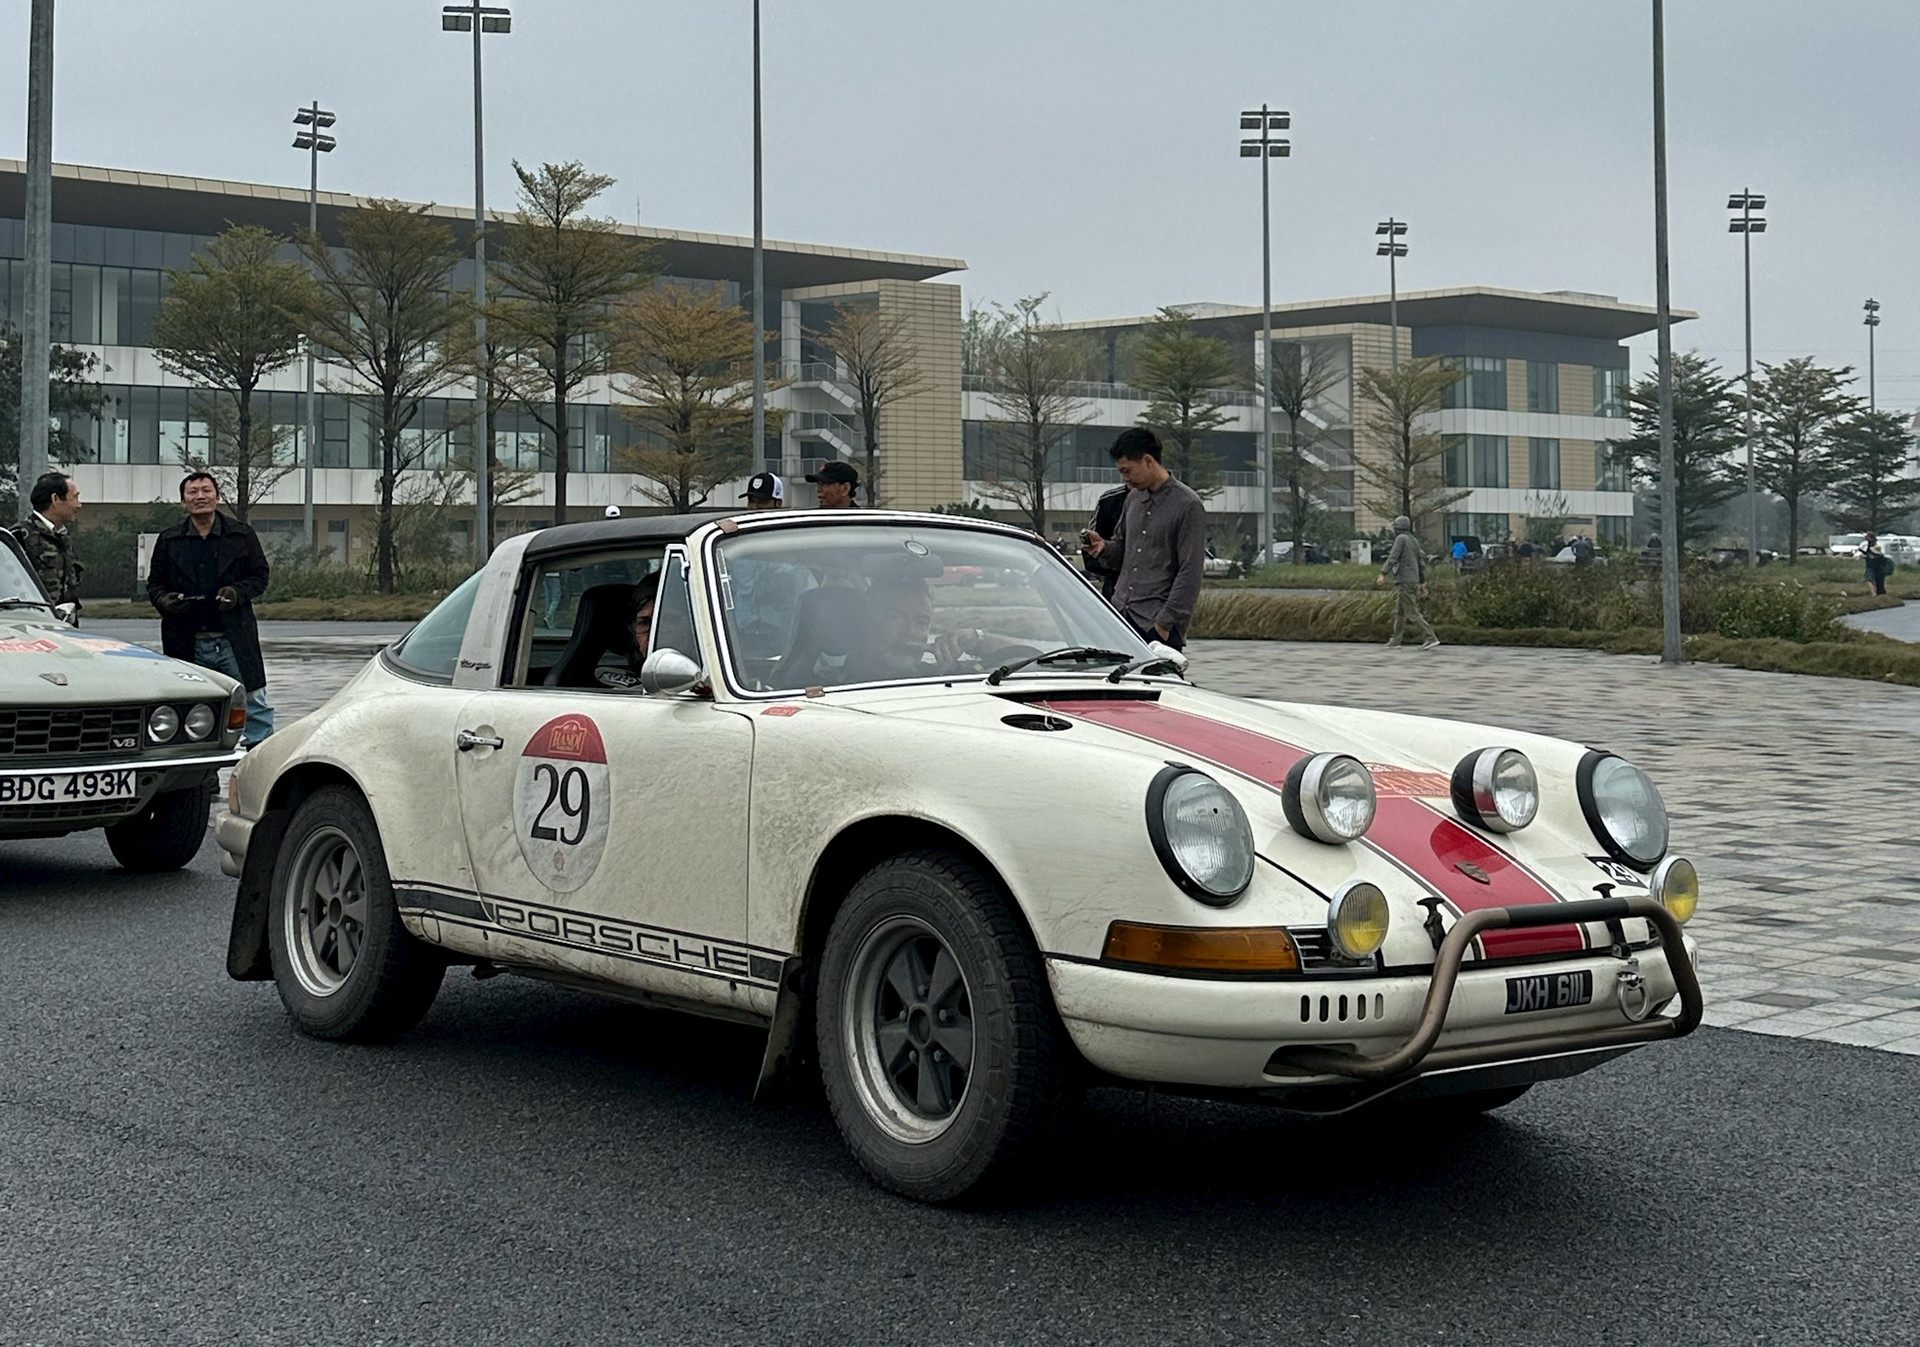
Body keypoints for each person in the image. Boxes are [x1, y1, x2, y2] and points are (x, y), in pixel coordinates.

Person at [147, 471, 275, 745]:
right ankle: (200, 778)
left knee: (254, 704)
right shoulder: (170, 540)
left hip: (233, 637)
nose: (200, 497)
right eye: (193, 492)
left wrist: (237, 593)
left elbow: (260, 576)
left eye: (206, 490)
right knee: (191, 710)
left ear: (217, 496)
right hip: (186, 640)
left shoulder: (241, 535)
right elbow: (154, 584)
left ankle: (261, 766)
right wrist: (165, 601)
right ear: (183, 501)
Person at [1081, 427, 1206, 650]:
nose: (1125, 478)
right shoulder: (1133, 499)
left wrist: (1164, 623)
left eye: (1128, 471)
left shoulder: (1188, 505)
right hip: (1120, 616)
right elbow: (1123, 548)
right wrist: (1103, 547)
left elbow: (1190, 572)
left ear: (1148, 461)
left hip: (1156, 624)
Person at [9, 471, 84, 618]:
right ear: (55, 499)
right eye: (74, 497)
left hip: (63, 624)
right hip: (32, 625)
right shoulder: (20, 536)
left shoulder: (62, 537)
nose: (79, 505)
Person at [1375, 514, 1439, 650]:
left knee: (1411, 612)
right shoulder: (1413, 540)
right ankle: (1396, 640)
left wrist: (1383, 573)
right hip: (1413, 580)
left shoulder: (1401, 539)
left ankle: (1430, 637)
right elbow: (1420, 562)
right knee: (1400, 612)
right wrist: (1422, 581)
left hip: (1405, 580)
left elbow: (1393, 557)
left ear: (1398, 528)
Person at [1082, 484, 1128, 598]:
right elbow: (1090, 555)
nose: (1127, 477)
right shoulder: (1110, 501)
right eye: (1123, 471)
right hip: (1116, 594)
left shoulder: (1173, 500)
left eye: (1129, 470)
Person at [1864, 532, 1889, 596]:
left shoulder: (1874, 546)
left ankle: (1874, 594)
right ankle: (1877, 594)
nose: (1866, 538)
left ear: (1871, 538)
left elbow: (1875, 554)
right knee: (1877, 582)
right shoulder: (1871, 545)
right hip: (1874, 567)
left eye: (1867, 536)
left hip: (1874, 567)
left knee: (1870, 580)